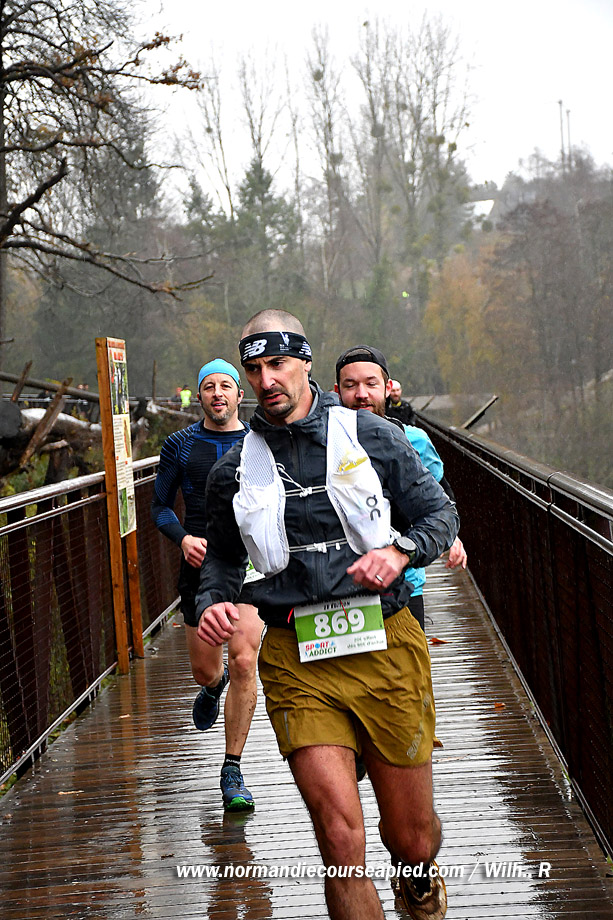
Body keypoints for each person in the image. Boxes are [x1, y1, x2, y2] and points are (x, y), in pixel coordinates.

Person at [195, 310, 459, 920]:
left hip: (384, 641)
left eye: (278, 364)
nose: (266, 380)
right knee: (340, 842)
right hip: (296, 657)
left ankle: (417, 872)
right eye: (254, 370)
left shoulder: (372, 436)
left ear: (306, 363)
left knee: (413, 838)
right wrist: (213, 603)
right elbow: (223, 562)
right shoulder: (233, 470)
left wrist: (401, 552)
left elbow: (440, 515)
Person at [151, 358, 263, 811]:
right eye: (209, 387)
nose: (218, 393)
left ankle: (232, 768)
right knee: (205, 669)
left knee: (244, 659)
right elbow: (159, 507)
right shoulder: (179, 445)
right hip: (200, 566)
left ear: (240, 395)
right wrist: (183, 539)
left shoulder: (259, 442)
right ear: (198, 396)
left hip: (249, 567)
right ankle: (213, 686)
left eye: (226, 386)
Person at [334, 345, 467, 631]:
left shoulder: (413, 439)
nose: (361, 394)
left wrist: (451, 536)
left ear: (387, 388)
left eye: (371, 384)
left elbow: (439, 496)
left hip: (406, 580)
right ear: (337, 391)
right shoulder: (323, 445)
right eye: (350, 385)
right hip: (341, 586)